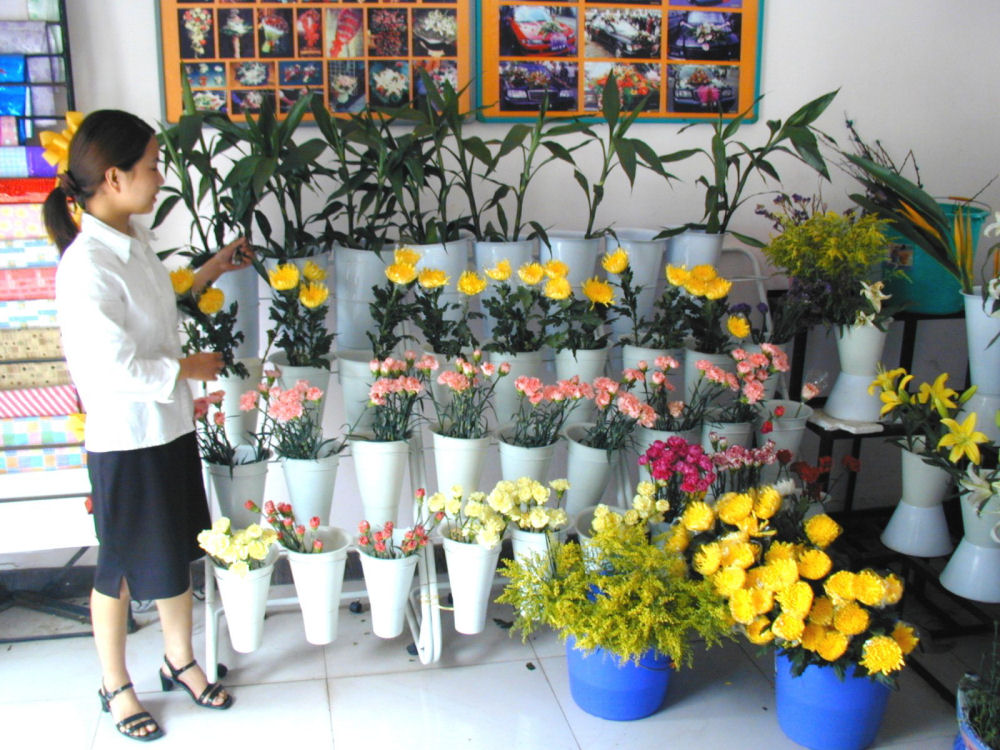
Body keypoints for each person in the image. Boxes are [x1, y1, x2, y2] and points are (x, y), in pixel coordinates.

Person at [44, 110, 253, 742]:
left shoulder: (131, 242)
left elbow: (157, 295)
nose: (160, 178)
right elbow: (108, 367)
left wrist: (210, 271)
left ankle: (179, 660)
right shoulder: (85, 267)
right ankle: (115, 685)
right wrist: (184, 367)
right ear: (113, 176)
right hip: (125, 440)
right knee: (122, 568)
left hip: (166, 428)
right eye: (151, 166)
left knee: (175, 552)